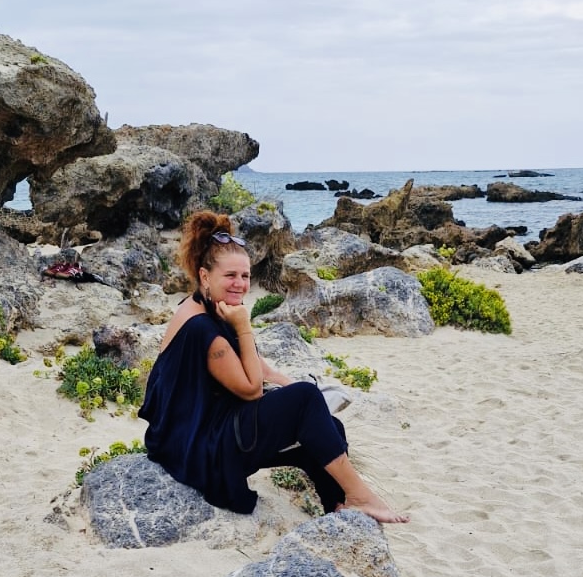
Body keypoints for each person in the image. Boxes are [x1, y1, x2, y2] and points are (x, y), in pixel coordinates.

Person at [138, 210, 409, 524]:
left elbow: (261, 369)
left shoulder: (208, 305)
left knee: (328, 426)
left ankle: (338, 508)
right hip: (202, 449)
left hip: (211, 430)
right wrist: (244, 326)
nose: (240, 284)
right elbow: (252, 390)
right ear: (205, 276)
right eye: (230, 275)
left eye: (245, 276)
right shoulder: (202, 328)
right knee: (305, 400)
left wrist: (303, 395)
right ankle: (361, 496)